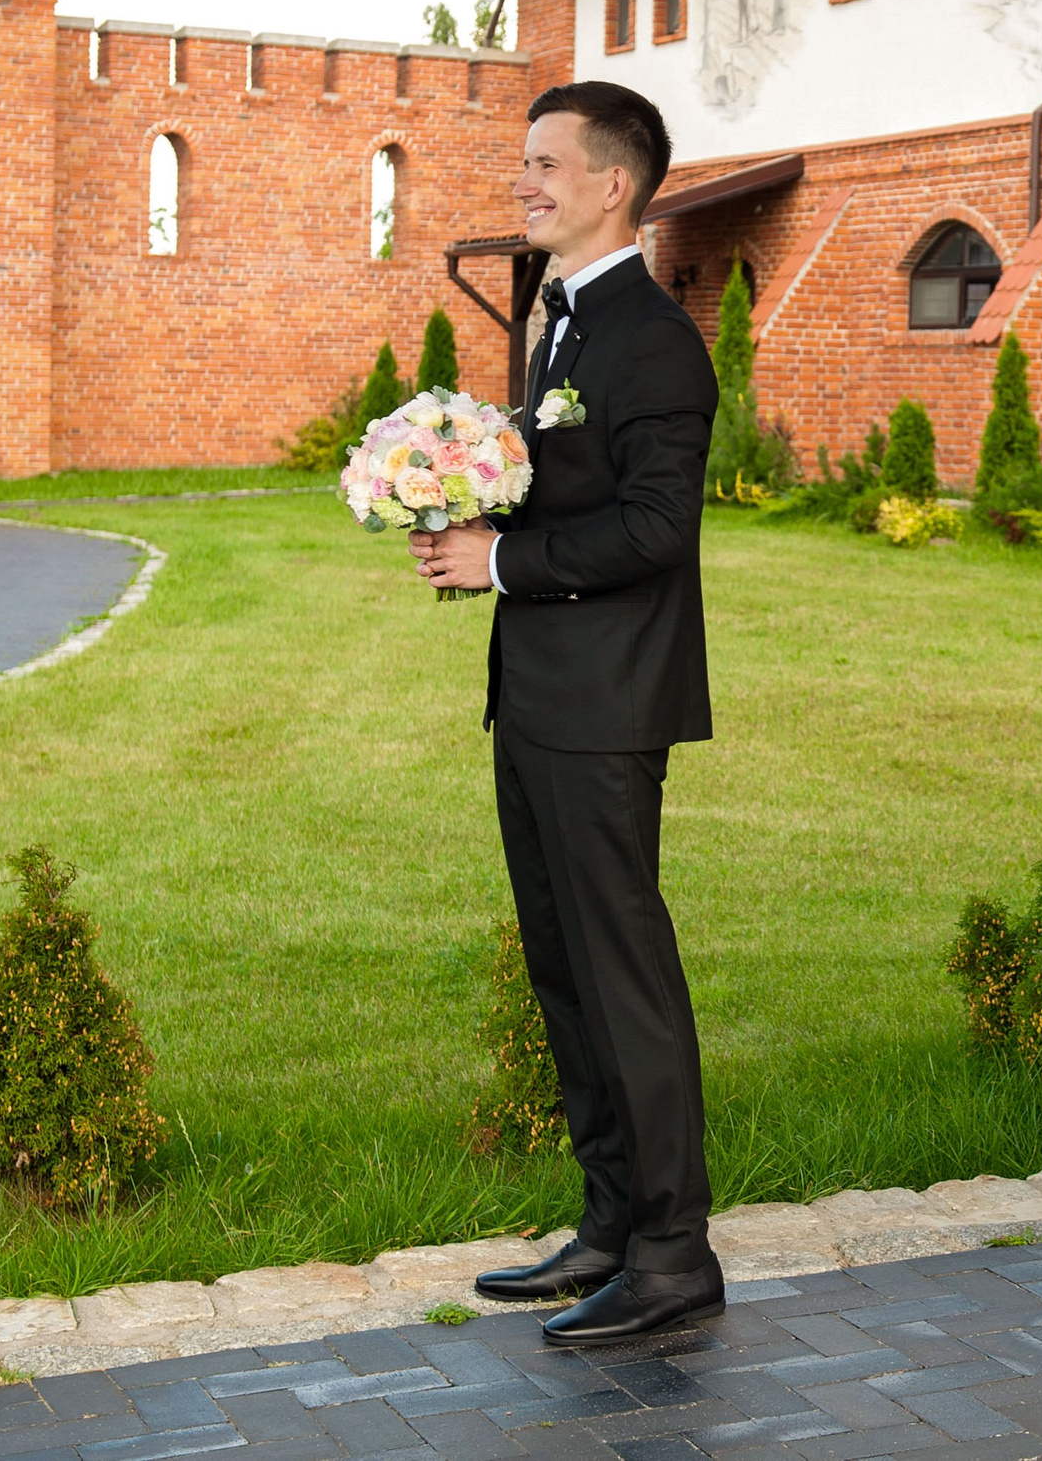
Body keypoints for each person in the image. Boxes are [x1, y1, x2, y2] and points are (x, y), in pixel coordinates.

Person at [410, 80, 724, 1344]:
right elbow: (562, 492)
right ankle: (608, 1221)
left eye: (545, 164)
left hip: (606, 705)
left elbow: (656, 528)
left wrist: (498, 561)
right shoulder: (564, 326)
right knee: (563, 969)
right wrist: (454, 500)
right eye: (520, 161)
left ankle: (672, 1254)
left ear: (615, 185)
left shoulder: (650, 337)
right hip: (538, 697)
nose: (523, 181)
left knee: (622, 971)